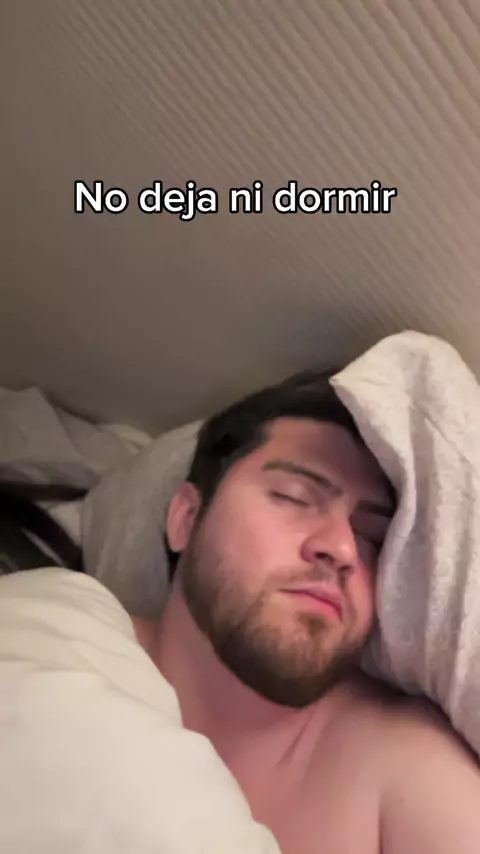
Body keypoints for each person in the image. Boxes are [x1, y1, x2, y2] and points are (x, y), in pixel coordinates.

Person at [133, 371, 480, 854]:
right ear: (186, 518)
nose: (343, 548)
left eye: (372, 536)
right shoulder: (63, 644)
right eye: (294, 497)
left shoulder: (403, 774)